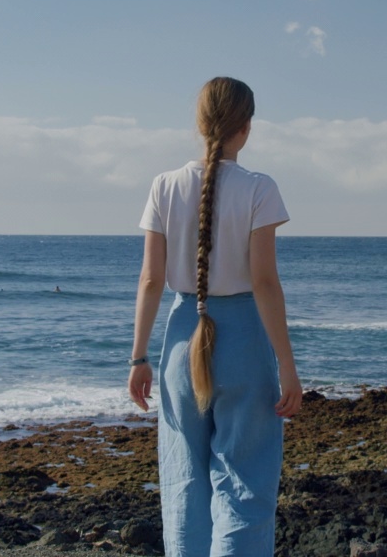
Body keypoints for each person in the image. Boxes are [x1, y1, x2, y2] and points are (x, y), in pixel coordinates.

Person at [128, 76, 301, 556]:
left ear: (200, 124)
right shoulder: (259, 189)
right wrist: (287, 364)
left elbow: (150, 280)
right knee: (245, 483)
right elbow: (265, 283)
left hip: (183, 337)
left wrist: (138, 358)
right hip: (244, 338)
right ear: (245, 127)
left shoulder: (164, 186)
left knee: (184, 481)